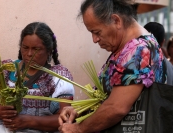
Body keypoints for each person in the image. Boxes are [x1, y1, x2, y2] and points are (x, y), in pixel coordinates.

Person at [58, 0, 166, 133]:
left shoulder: (139, 50)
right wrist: (79, 109)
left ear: (116, 20)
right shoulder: (126, 48)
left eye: (97, 32)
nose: (94, 39)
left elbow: (116, 107)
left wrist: (79, 129)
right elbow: (107, 94)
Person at [0, 22, 75, 133]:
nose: (29, 53)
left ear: (48, 50)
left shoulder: (59, 77)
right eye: (25, 47)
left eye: (36, 49)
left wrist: (29, 122)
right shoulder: (5, 69)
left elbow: (65, 118)